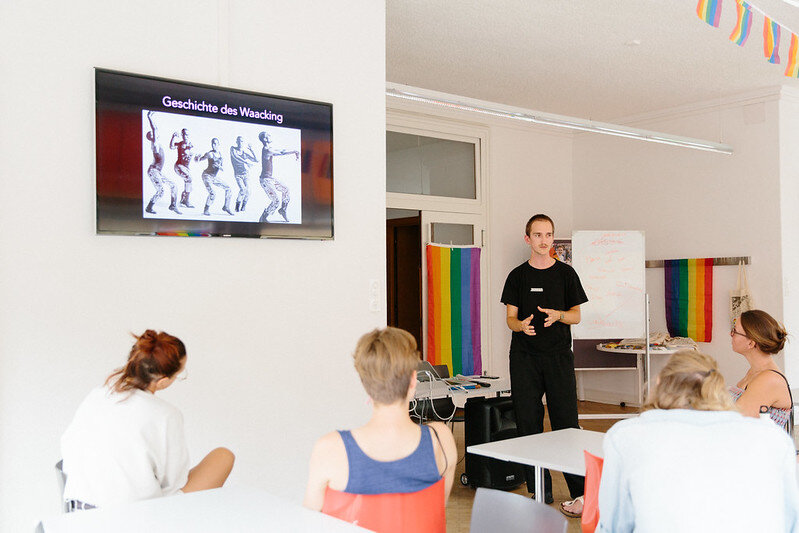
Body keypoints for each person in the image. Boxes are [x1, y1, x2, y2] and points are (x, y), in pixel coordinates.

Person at [597, 350, 799, 532]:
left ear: (659, 385)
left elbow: (615, 525)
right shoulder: (773, 439)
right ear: (719, 391)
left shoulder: (625, 437)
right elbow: (790, 522)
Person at [303, 327, 457, 532]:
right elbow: (434, 513)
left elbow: (307, 524)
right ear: (413, 381)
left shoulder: (330, 448)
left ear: (366, 385)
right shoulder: (441, 439)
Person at [60, 330, 234, 510]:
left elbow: (67, 446)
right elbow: (174, 483)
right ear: (163, 381)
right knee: (223, 456)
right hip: (136, 517)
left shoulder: (96, 395)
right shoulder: (166, 415)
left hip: (80, 510)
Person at [500, 213, 588, 515]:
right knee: (528, 423)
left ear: (553, 238)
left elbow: (576, 315)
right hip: (524, 358)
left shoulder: (566, 274)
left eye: (548, 235)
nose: (543, 240)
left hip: (559, 357)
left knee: (566, 423)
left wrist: (558, 315)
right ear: (528, 239)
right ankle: (540, 490)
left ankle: (581, 494)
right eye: (537, 235)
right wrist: (520, 326)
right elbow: (510, 318)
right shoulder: (517, 276)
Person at [730, 309, 792, 431]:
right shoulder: (754, 372)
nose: (731, 334)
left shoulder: (769, 379)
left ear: (751, 343)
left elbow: (734, 422)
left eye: (735, 331)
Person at [144, 111, 181, 215]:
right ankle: (149, 207)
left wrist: (173, 137)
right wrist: (149, 117)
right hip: (153, 171)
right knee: (161, 191)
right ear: (151, 137)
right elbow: (155, 129)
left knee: (173, 185)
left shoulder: (158, 144)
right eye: (152, 134)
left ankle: (173, 206)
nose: (155, 134)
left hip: (157, 172)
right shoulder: (155, 144)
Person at [257, 131, 299, 223]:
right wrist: (294, 151)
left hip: (270, 179)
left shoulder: (269, 148)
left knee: (286, 190)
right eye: (268, 135)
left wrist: (293, 151)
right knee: (275, 201)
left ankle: (282, 210)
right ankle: (263, 218)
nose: (270, 136)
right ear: (265, 139)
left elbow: (281, 150)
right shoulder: (267, 150)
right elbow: (281, 152)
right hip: (265, 180)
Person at [197, 138, 233, 216]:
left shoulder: (220, 154)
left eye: (216, 143)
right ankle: (206, 209)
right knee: (213, 193)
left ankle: (226, 206)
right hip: (207, 176)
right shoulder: (210, 154)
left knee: (228, 188)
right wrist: (197, 158)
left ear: (218, 145)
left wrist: (220, 166)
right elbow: (201, 159)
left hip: (214, 177)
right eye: (213, 143)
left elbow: (221, 166)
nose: (214, 145)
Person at [230, 136, 258, 212]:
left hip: (246, 174)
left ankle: (243, 206)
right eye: (239, 141)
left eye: (242, 141)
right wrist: (246, 162)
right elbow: (236, 157)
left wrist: (252, 150)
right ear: (236, 142)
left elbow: (256, 160)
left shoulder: (244, 153)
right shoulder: (233, 149)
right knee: (243, 189)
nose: (240, 143)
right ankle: (237, 205)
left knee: (248, 191)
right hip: (238, 175)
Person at [170, 128, 195, 208]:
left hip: (186, 167)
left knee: (189, 183)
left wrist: (198, 158)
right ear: (182, 135)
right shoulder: (180, 144)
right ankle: (185, 200)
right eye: (184, 134)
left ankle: (184, 199)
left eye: (187, 134)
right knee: (189, 179)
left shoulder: (192, 145)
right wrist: (173, 137)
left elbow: (195, 157)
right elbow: (171, 147)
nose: (185, 136)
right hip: (179, 166)